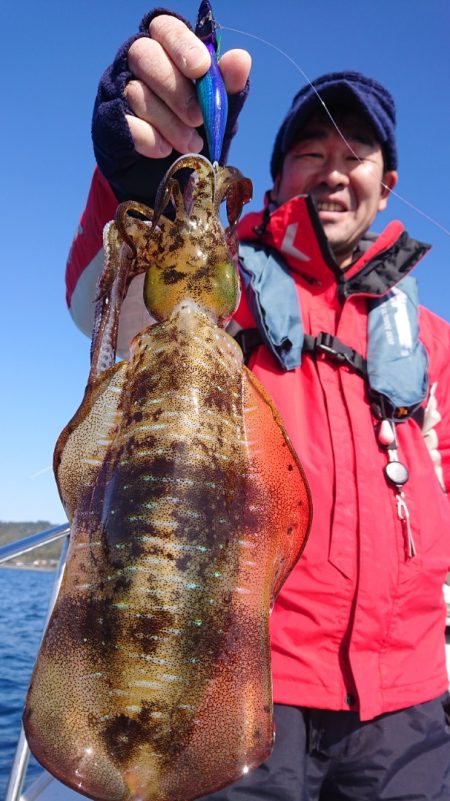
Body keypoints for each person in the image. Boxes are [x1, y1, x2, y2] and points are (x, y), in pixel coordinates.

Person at [66, 9, 450, 801]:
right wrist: (137, 183)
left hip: (409, 696)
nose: (335, 171)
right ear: (275, 176)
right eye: (311, 152)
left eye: (356, 154)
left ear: (389, 180)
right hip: (244, 675)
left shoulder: (431, 339)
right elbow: (102, 305)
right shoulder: (222, 278)